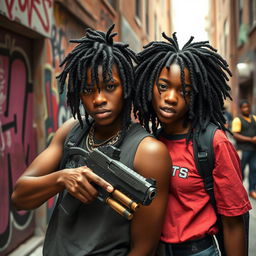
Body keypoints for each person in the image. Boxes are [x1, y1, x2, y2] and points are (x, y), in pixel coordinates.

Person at [11, 25, 171, 256]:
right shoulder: (71, 132)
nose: (98, 99)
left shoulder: (148, 153)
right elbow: (19, 197)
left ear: (127, 87)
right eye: (88, 90)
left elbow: (143, 249)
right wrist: (62, 178)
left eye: (110, 87)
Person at [133, 32, 251, 256]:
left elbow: (233, 222)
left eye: (183, 91)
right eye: (163, 86)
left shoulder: (213, 143)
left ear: (195, 96)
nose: (170, 97)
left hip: (196, 251)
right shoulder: (150, 142)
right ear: (149, 87)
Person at [231, 99, 256, 199]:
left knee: (254, 170)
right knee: (240, 170)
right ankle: (238, 191)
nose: (246, 109)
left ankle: (252, 190)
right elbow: (235, 135)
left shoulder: (254, 118)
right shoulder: (237, 120)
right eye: (244, 107)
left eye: (247, 107)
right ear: (241, 109)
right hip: (243, 149)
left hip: (254, 150)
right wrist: (250, 139)